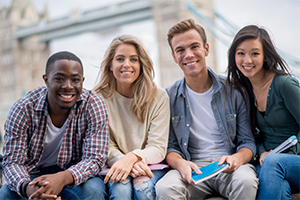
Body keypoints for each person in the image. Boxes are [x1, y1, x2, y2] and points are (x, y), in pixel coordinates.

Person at [155, 18, 258, 200]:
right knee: (165, 188)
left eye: (194, 47)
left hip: (228, 166)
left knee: (246, 181)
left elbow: (248, 142)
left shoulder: (234, 91)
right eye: (180, 50)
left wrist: (237, 159)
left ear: (206, 49)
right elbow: (170, 146)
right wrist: (180, 164)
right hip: (192, 168)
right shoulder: (168, 97)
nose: (188, 55)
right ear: (174, 56)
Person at [0, 51, 109, 200]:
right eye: (59, 79)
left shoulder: (93, 105)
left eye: (75, 80)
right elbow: (13, 161)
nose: (68, 86)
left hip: (73, 173)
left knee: (94, 190)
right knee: (5, 194)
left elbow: (95, 158)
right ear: (46, 80)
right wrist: (28, 189)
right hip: (32, 175)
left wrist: (62, 178)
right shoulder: (23, 109)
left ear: (82, 81)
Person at [227, 25, 300, 200]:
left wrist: (284, 154)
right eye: (241, 53)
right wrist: (262, 152)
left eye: (254, 53)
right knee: (279, 187)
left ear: (265, 56)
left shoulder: (285, 85)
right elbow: (253, 135)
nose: (247, 60)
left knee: (273, 165)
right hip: (268, 163)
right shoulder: (242, 91)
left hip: (293, 160)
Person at [94, 34, 170, 200]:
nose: (127, 64)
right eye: (120, 59)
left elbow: (158, 147)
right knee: (121, 192)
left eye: (133, 59)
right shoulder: (98, 99)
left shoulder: (159, 97)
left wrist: (133, 158)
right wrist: (125, 162)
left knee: (143, 190)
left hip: (150, 166)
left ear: (141, 65)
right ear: (110, 65)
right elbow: (104, 146)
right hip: (115, 165)